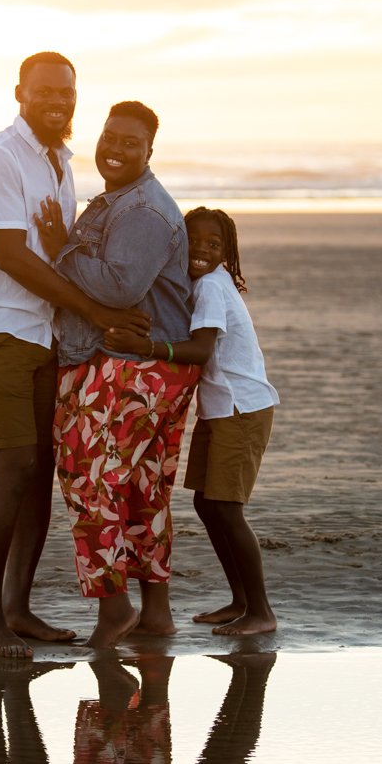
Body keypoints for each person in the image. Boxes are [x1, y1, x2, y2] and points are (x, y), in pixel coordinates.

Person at [0, 54, 150, 660]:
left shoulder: (60, 162)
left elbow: (59, 253)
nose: (58, 103)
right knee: (14, 471)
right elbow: (12, 256)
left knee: (39, 478)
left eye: (66, 93)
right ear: (21, 93)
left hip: (45, 336)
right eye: (45, 93)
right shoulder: (0, 158)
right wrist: (96, 311)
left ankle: (18, 608)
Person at [35, 102, 198, 648]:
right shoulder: (122, 203)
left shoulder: (143, 212)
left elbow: (119, 287)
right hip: (152, 367)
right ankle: (155, 614)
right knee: (142, 487)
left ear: (150, 151)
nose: (116, 149)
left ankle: (114, 608)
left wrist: (62, 247)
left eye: (131, 143)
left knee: (89, 479)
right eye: (110, 137)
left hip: (137, 367)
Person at [106, 206, 280, 635]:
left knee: (226, 507)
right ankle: (239, 601)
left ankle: (260, 612)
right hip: (222, 408)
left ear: (227, 252)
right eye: (194, 241)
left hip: (242, 409)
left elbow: (200, 350)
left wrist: (144, 346)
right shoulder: (205, 285)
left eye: (214, 244)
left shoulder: (212, 291)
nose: (202, 250)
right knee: (207, 504)